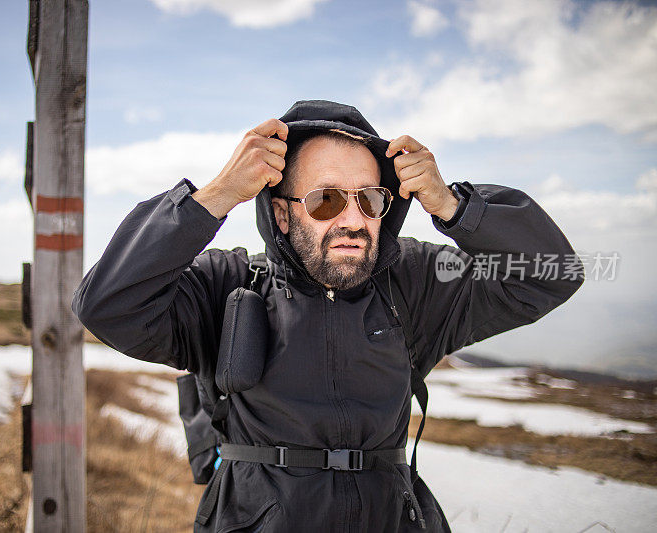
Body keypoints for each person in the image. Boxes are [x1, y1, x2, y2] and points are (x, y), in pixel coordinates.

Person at [72, 100, 584, 532]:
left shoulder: (416, 281)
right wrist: (215, 196)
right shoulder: (225, 286)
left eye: (369, 199)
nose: (352, 219)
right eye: (324, 200)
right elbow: (108, 304)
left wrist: (454, 207)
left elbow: (552, 273)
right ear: (280, 211)